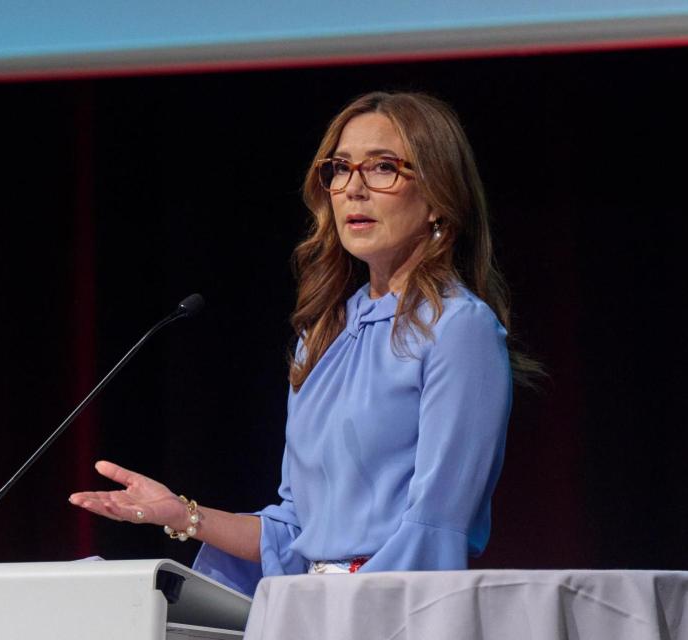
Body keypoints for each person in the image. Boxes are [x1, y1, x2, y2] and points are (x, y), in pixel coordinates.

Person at [69, 91, 537, 597]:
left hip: (390, 612)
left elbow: (435, 526)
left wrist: (337, 615)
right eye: (339, 168)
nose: (354, 189)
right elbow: (295, 531)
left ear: (440, 196)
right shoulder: (323, 335)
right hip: (311, 611)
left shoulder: (458, 328)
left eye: (382, 167)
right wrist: (186, 516)